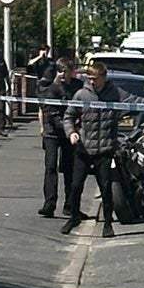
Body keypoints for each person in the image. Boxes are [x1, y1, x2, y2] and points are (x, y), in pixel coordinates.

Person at [61, 59, 123, 236]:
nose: (91, 81)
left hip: (104, 149)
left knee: (105, 187)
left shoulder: (115, 93)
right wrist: (71, 132)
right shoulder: (82, 95)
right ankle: (73, 217)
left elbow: (135, 101)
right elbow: (69, 116)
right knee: (75, 186)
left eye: (94, 78)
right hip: (84, 148)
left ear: (103, 77)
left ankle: (108, 224)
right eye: (89, 78)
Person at [37, 51, 82, 218]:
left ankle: (70, 206)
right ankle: (49, 204)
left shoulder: (77, 86)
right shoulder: (51, 89)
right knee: (50, 167)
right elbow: (51, 114)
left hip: (70, 134)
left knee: (70, 169)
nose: (62, 75)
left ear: (71, 71)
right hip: (52, 133)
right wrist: (68, 128)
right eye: (59, 71)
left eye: (65, 71)